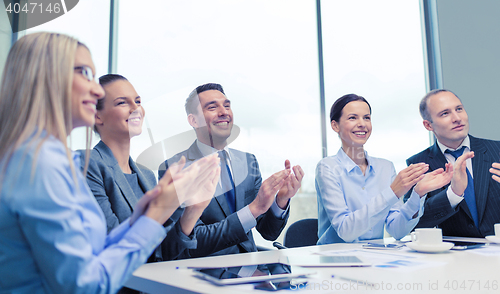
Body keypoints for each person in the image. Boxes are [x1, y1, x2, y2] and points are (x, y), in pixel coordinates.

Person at [0, 32, 219, 293]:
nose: (95, 90)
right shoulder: (40, 164)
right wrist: (158, 212)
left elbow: (93, 252)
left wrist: (146, 215)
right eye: (83, 72)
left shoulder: (54, 159)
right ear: (44, 78)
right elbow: (85, 285)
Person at [158, 83, 304, 257]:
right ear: (193, 120)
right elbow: (191, 241)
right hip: (204, 273)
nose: (224, 112)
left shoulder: (248, 161)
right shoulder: (175, 168)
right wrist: (253, 209)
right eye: (212, 107)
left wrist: (280, 200)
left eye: (227, 106)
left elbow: (268, 232)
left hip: (250, 269)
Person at [316, 94, 452, 244]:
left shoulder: (385, 168)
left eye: (366, 117)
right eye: (353, 118)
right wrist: (392, 192)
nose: (362, 124)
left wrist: (418, 194)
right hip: (335, 260)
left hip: (374, 258)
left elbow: (397, 231)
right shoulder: (327, 167)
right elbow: (346, 231)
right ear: (335, 126)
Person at [405, 89, 500, 237]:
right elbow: (413, 224)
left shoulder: (497, 151)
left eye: (459, 109)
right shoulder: (418, 164)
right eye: (445, 113)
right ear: (428, 125)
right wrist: (453, 195)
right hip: (453, 256)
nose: (457, 118)